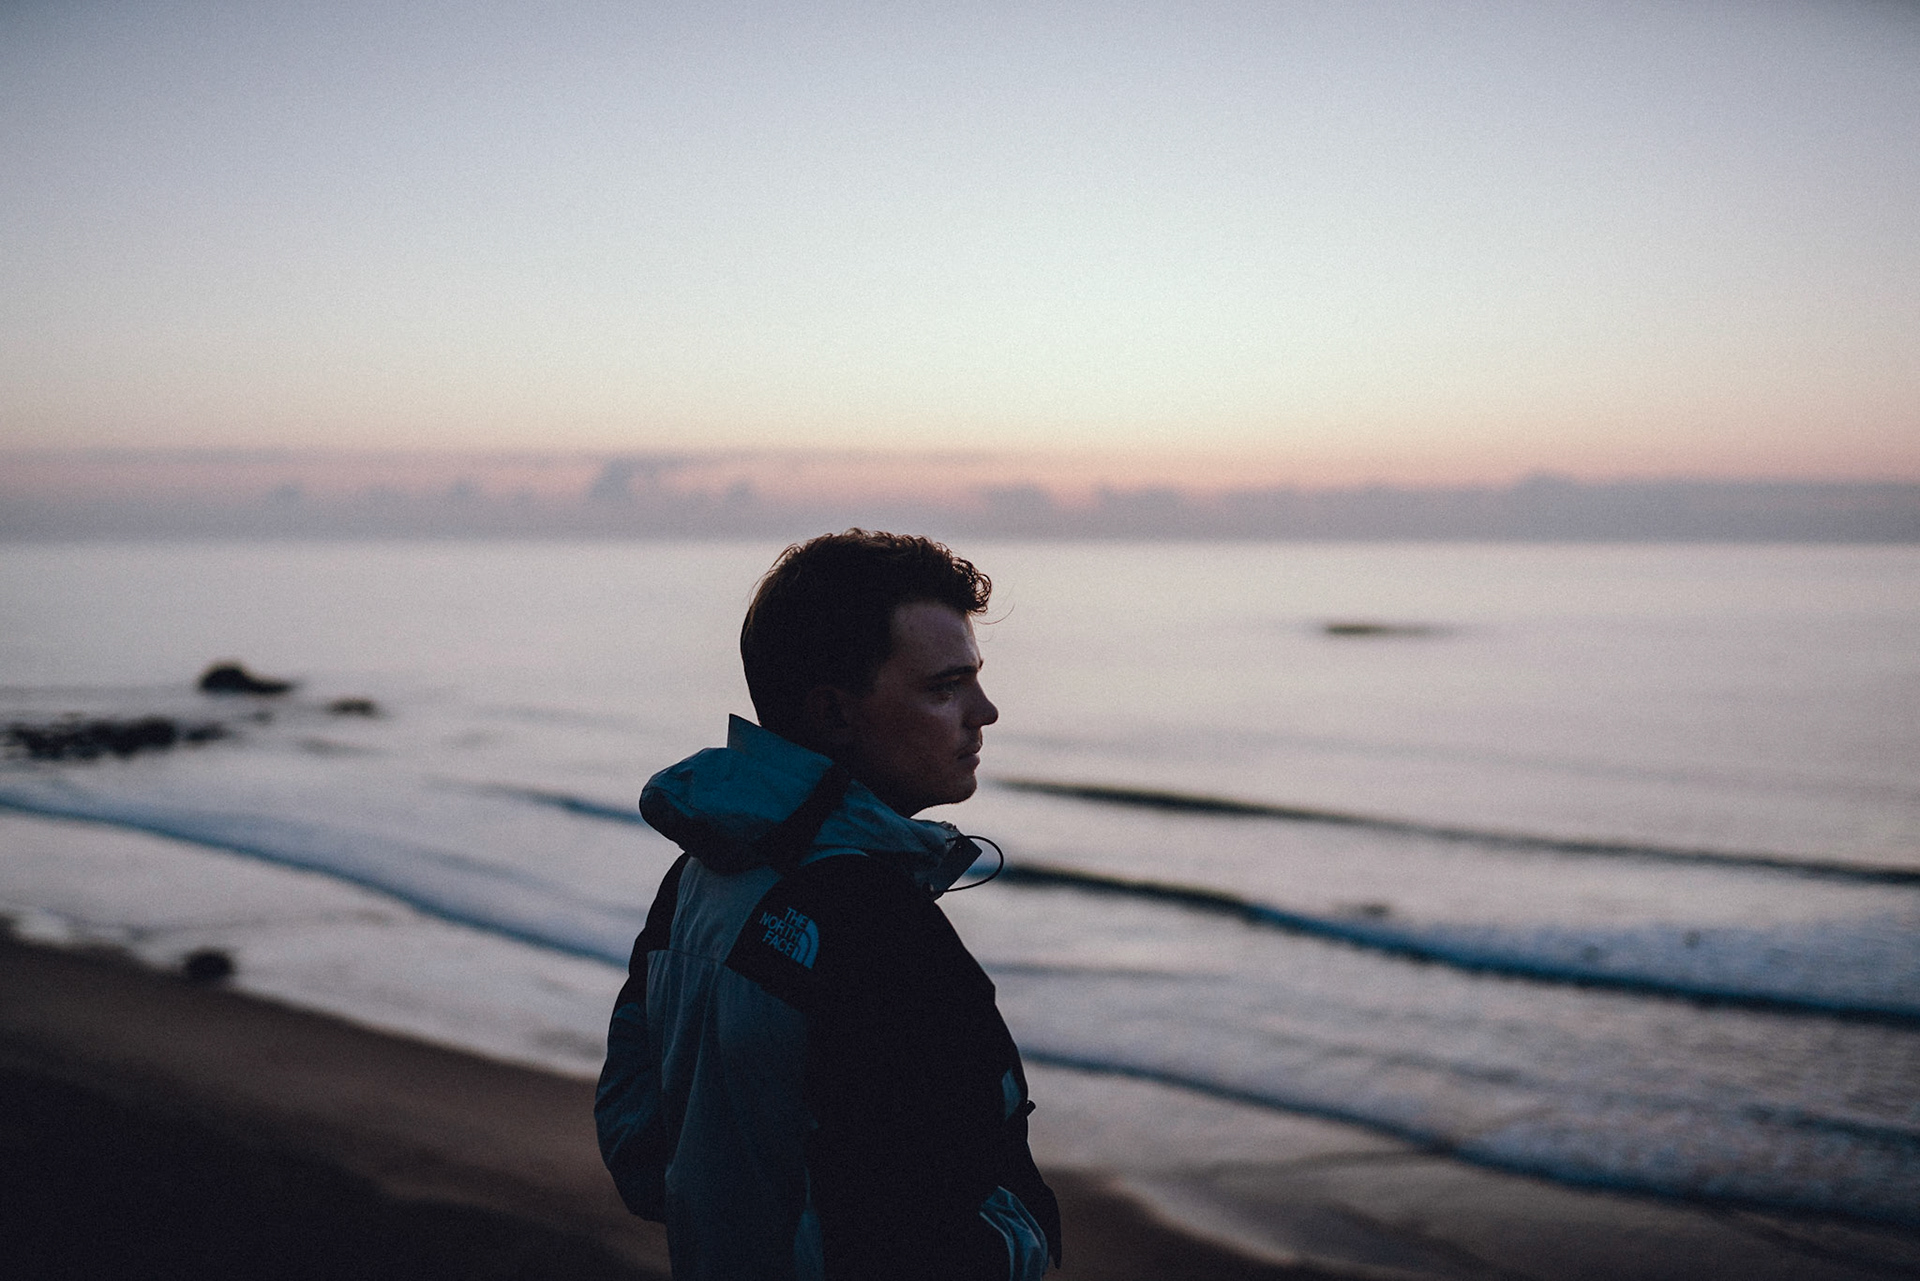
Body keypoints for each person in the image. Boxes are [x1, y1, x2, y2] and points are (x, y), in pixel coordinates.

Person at [595, 530, 1062, 1281]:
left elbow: (638, 1146)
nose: (986, 711)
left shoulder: (698, 875)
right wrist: (1024, 1237)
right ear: (835, 713)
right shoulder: (879, 929)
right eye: (945, 688)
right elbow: (942, 1229)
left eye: (975, 680)